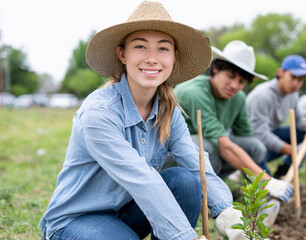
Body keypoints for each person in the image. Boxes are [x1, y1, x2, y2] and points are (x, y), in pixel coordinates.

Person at [40, 2, 247, 239]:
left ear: (174, 57)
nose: (152, 58)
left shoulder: (169, 112)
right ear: (122, 54)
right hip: (79, 219)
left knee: (184, 182)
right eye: (140, 46)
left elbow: (195, 162)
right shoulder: (100, 112)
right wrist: (185, 236)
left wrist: (225, 210)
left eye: (163, 49)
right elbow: (142, 179)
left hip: (127, 212)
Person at [174, 40, 295, 203]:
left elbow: (245, 138)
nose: (234, 85)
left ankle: (252, 195)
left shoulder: (238, 98)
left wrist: (264, 180)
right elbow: (224, 146)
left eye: (241, 81)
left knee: (256, 147)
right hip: (173, 157)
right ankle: (202, 195)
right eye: (230, 76)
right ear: (216, 69)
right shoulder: (195, 92)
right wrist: (267, 181)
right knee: (207, 147)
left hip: (211, 152)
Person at [246, 55, 306, 179]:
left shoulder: (292, 94)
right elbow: (259, 133)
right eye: (293, 77)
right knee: (264, 181)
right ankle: (267, 184)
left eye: (300, 80)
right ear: (281, 73)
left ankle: (284, 174)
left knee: (303, 133)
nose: (296, 83)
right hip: (251, 142)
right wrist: (290, 149)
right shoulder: (263, 95)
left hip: (270, 134)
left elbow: (299, 121)